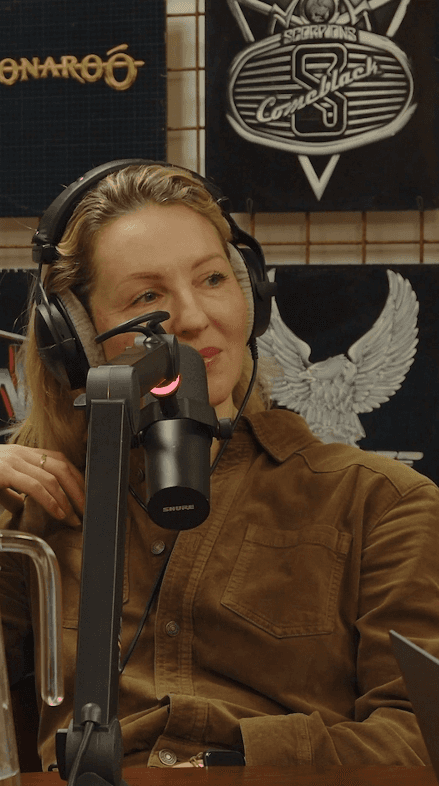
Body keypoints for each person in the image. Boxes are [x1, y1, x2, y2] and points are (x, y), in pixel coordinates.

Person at [1, 161, 439, 772]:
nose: (193, 317)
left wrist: (223, 767)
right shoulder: (37, 510)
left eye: (212, 279)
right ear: (74, 337)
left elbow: (419, 740)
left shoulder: (382, 502)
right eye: (147, 297)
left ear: (249, 294)